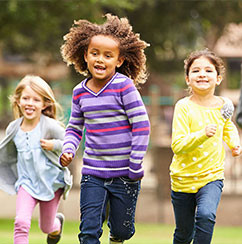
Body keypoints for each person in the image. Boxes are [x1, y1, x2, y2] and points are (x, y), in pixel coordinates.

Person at [60, 13, 150, 244]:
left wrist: (135, 162)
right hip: (93, 172)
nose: (101, 60)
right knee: (88, 230)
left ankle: (117, 237)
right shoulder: (79, 91)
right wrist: (68, 149)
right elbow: (74, 128)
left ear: (119, 61)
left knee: (122, 230)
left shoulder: (124, 86)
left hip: (126, 174)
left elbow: (141, 125)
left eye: (108, 55)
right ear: (85, 56)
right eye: (95, 53)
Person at [170, 49, 242, 244]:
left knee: (206, 215)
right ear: (187, 79)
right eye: (196, 70)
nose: (202, 74)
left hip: (211, 176)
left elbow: (229, 128)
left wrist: (235, 144)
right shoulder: (183, 107)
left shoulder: (224, 105)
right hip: (182, 179)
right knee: (184, 234)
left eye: (208, 70)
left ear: (218, 78)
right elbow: (177, 145)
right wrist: (202, 134)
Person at [0, 75, 73, 244]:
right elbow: (6, 155)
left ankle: (56, 223)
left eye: (36, 100)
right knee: (21, 222)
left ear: (44, 104)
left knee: (46, 227)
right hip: (26, 183)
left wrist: (54, 145)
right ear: (18, 101)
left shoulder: (49, 125)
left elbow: (70, 143)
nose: (30, 103)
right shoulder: (13, 129)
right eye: (26, 98)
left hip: (51, 183)